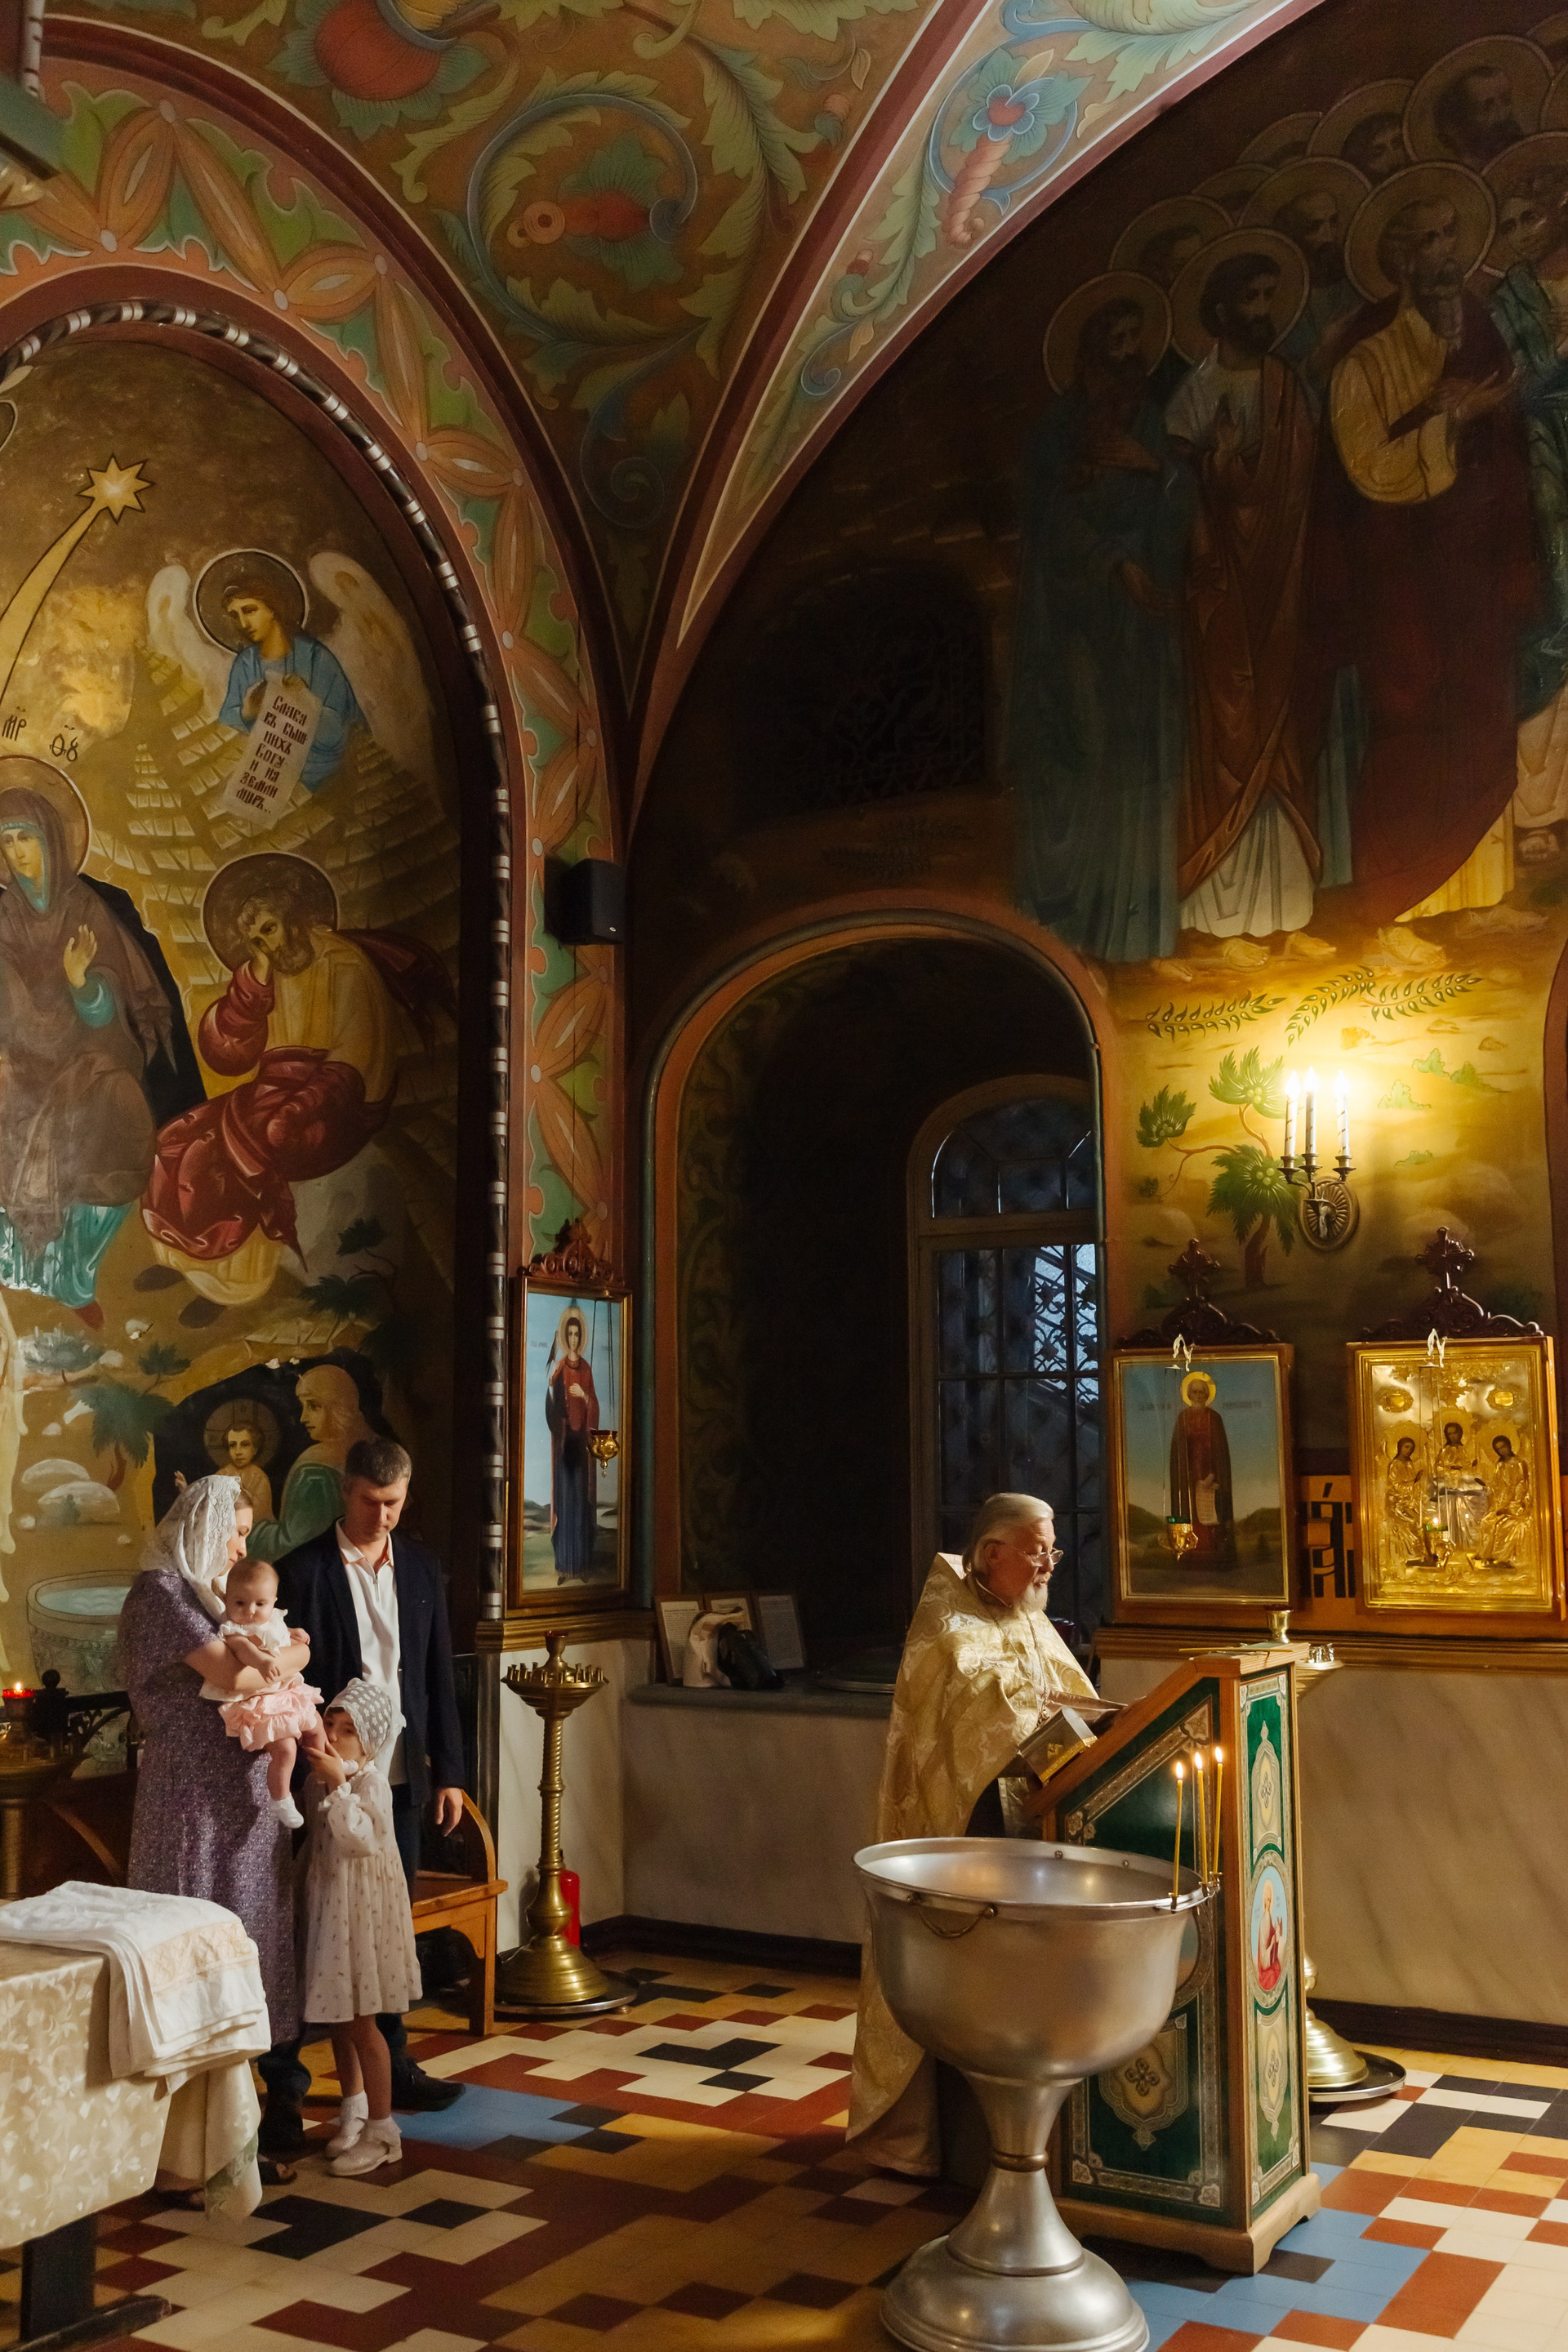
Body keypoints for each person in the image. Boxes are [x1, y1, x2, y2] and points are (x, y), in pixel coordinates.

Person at [1306, 172, 1543, 929]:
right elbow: (1368, 467)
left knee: (1483, 719)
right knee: (1411, 727)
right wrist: (1452, 420)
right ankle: (1394, 905)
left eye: (1452, 236)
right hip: (1403, 580)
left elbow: (1510, 445)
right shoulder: (1364, 358)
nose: (1447, 255)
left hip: (1474, 571)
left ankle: (1477, 896)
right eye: (1429, 242)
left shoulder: (1481, 329)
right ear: (1402, 261)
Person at [848, 1493, 1095, 2176]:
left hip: (1028, 1833)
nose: (1050, 1564)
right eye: (1038, 1551)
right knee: (969, 1995)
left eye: (1053, 1550)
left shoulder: (1027, 1617)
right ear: (991, 1554)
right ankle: (948, 2148)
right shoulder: (950, 1629)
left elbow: (1069, 1702)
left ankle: (1030, 2142)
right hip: (965, 1844)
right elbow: (990, 1725)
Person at [259, 1436, 466, 2152]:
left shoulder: (421, 1567)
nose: (384, 1516)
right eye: (372, 1502)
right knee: (307, 1931)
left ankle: (391, 2067)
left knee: (383, 1929)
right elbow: (286, 1683)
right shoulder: (303, 1570)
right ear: (346, 1492)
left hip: (400, 1781)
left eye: (395, 1503)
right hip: (324, 1780)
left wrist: (451, 1772)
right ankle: (287, 2088)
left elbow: (436, 1671)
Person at [118, 1476, 306, 2182]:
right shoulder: (163, 1594)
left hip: (241, 1802)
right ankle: (185, 2164)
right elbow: (238, 1678)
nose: (239, 1549)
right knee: (194, 1964)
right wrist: (296, 1655)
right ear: (202, 1526)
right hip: (191, 1803)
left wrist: (283, 1656)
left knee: (241, 1959)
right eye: (236, 1532)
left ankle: (232, 2150)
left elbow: (262, 1661)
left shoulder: (202, 1595)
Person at [1008, 283, 1196, 964]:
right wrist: (1116, 563)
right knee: (1082, 751)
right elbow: (1049, 525)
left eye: (1135, 342)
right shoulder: (1057, 431)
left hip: (1139, 627)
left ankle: (1130, 931)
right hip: (1074, 619)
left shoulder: (1148, 422)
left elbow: (1178, 500)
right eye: (1115, 343)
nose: (1128, 355)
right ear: (1089, 353)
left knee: (1138, 757)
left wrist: (1156, 468)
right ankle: (1065, 919)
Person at [143, 870, 424, 1305]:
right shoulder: (264, 972)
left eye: (270, 929)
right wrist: (251, 990)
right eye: (256, 939)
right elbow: (226, 1054)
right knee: (176, 1141)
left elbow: (356, 1060)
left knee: (227, 1156)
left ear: (294, 919)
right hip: (270, 1095)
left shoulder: (344, 963)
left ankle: (237, 1281)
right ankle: (190, 1265)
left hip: (335, 1107)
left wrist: (296, 1110)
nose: (268, 945)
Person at [1166, 247, 1324, 954]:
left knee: (1280, 733)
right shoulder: (1192, 396)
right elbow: (1177, 501)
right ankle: (1220, 916)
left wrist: (1238, 468)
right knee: (1227, 735)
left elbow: (1301, 483)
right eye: (1251, 298)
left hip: (1279, 589)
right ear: (1221, 309)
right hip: (1222, 597)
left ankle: (1287, 911)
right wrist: (1220, 464)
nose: (1264, 311)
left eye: (1269, 296)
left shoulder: (1287, 385)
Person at [0, 774, 194, 1315]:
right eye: (7, 841)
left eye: (26, 837)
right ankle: (16, 1266)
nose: (17, 852)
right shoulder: (4, 916)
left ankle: (76, 1271)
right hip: (20, 1057)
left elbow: (113, 1011)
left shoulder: (88, 909)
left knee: (119, 1105)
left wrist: (81, 982)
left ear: (50, 839)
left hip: (87, 1056)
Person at [300, 1679, 422, 2177]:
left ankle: (383, 2129)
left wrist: (338, 1786)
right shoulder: (322, 1779)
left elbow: (360, 1840)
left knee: (362, 2022)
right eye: (330, 1723)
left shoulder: (370, 1784)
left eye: (348, 1730)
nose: (333, 1735)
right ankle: (352, 2106)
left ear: (369, 1743)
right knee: (338, 2014)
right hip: (333, 1907)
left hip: (362, 1914)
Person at [1490, 161, 1568, 857]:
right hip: (1543, 475)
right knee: (1551, 629)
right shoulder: (1504, 305)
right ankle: (1541, 812)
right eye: (1508, 223)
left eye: (1531, 217)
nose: (1520, 233)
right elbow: (1500, 391)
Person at [199, 1557, 322, 1827]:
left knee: (316, 1724)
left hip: (282, 1690)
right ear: (226, 1600)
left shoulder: (271, 1618)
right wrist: (263, 1661)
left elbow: (276, 1631)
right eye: (239, 1603)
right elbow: (244, 1649)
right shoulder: (233, 1629)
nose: (250, 1611)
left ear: (274, 1602)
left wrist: (292, 1632)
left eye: (260, 1604)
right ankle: (281, 1798)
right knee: (286, 1750)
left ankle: (323, 1767)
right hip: (259, 1700)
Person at [218, 575, 366, 794]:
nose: (243, 624)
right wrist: (249, 710)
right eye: (234, 616)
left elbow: (339, 732)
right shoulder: (245, 664)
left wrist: (304, 702)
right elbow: (225, 722)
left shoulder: (316, 658)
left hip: (324, 780)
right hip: (266, 781)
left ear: (272, 609)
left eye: (250, 611)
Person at [246, 1364, 376, 1561]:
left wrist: (247, 1530)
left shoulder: (316, 1470)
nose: (303, 1418)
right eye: (303, 1407)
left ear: (338, 1407)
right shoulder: (372, 1445)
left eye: (314, 1406)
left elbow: (294, 1542)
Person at [546, 1304, 600, 1578]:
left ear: (581, 1337)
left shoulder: (586, 1369)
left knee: (580, 1504)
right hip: (565, 1445)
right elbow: (552, 1405)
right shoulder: (559, 1369)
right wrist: (554, 1390)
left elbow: (595, 1407)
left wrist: (584, 1396)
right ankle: (564, 1566)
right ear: (566, 1337)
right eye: (571, 1334)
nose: (575, 1339)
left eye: (578, 1334)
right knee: (565, 1504)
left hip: (581, 1447)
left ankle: (581, 1565)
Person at [1169, 1370, 1235, 1568]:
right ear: (1189, 1395)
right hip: (1189, 1478)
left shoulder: (1214, 1418)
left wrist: (1213, 1477)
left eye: (1201, 1392)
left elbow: (1220, 1452)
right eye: (1194, 1392)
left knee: (1212, 1513)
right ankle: (1189, 1552)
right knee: (1190, 1512)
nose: (1198, 1396)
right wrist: (1187, 1478)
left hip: (1211, 1476)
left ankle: (1214, 1552)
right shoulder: (1182, 1418)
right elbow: (1178, 1453)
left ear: (1207, 1395)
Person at [1475, 1432, 1532, 1563]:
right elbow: (1496, 1484)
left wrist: (1510, 1507)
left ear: (1510, 1446)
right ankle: (1485, 1553)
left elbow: (1522, 1485)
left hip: (1515, 1505)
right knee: (1485, 1522)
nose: (1502, 1451)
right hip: (1501, 1503)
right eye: (1499, 1449)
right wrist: (1486, 1485)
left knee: (1498, 1525)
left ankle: (1498, 1557)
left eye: (1503, 1447)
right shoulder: (1500, 1465)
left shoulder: (1519, 1463)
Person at [223, 1419, 275, 1521]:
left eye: (245, 1445)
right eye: (232, 1445)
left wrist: (243, 1492)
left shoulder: (259, 1477)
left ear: (255, 1449)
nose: (238, 1452)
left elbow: (262, 1512)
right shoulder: (222, 1474)